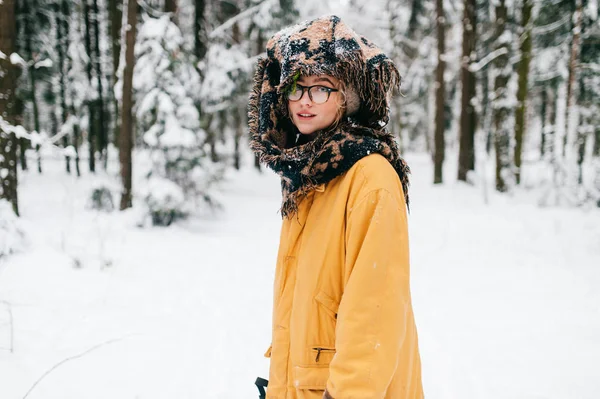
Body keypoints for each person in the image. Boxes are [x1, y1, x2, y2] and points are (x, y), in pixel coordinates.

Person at [249, 15, 423, 399]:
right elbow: (310, 303)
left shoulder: (369, 177)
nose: (305, 100)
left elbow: (375, 309)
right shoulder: (309, 174)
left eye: (321, 88)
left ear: (347, 97)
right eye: (296, 87)